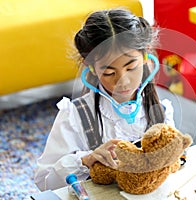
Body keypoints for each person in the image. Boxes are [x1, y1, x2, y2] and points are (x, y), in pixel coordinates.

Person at [34, 8, 175, 191]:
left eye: (131, 67)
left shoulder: (162, 111)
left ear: (146, 56)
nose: (122, 81)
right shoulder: (74, 116)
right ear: (91, 68)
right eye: (109, 73)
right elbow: (44, 182)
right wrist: (86, 160)